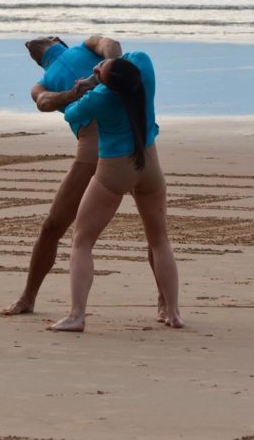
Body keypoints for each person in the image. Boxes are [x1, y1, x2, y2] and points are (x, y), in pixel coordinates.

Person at [1, 35, 164, 317]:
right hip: (95, 145)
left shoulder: (86, 47)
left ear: (56, 39)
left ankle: (165, 301)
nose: (28, 42)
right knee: (53, 225)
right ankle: (28, 297)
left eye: (36, 38)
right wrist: (74, 94)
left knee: (155, 231)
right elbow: (43, 101)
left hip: (127, 138)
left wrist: (96, 75)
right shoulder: (42, 82)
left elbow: (111, 45)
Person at [49, 51, 184, 332]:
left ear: (109, 84)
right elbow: (136, 55)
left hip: (115, 169)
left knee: (82, 240)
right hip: (148, 162)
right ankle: (172, 311)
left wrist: (85, 87)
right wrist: (108, 70)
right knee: (159, 240)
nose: (96, 67)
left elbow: (71, 114)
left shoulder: (101, 97)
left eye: (101, 70)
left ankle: (77, 315)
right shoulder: (143, 72)